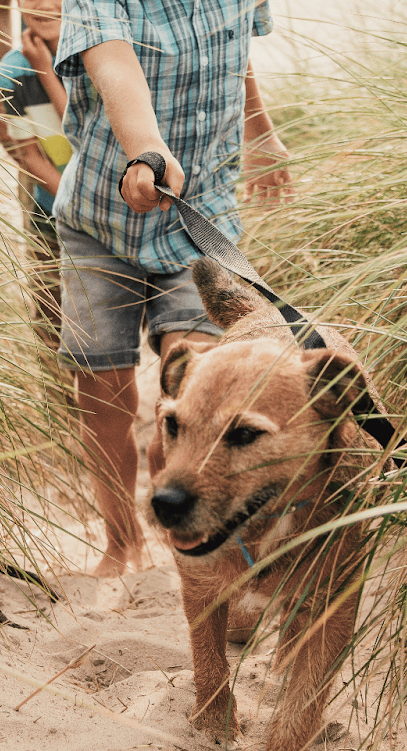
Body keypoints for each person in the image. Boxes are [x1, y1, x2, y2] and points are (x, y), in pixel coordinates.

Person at [50, 0, 295, 577]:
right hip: (99, 220)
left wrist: (261, 131)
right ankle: (122, 541)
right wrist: (147, 150)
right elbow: (114, 65)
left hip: (201, 214)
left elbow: (237, 55)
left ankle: (209, 540)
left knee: (199, 385)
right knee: (102, 384)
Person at [0, 1, 70, 367]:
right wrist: (3, 105)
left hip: (87, 71)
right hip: (37, 115)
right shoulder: (16, 69)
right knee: (52, 296)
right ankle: (62, 412)